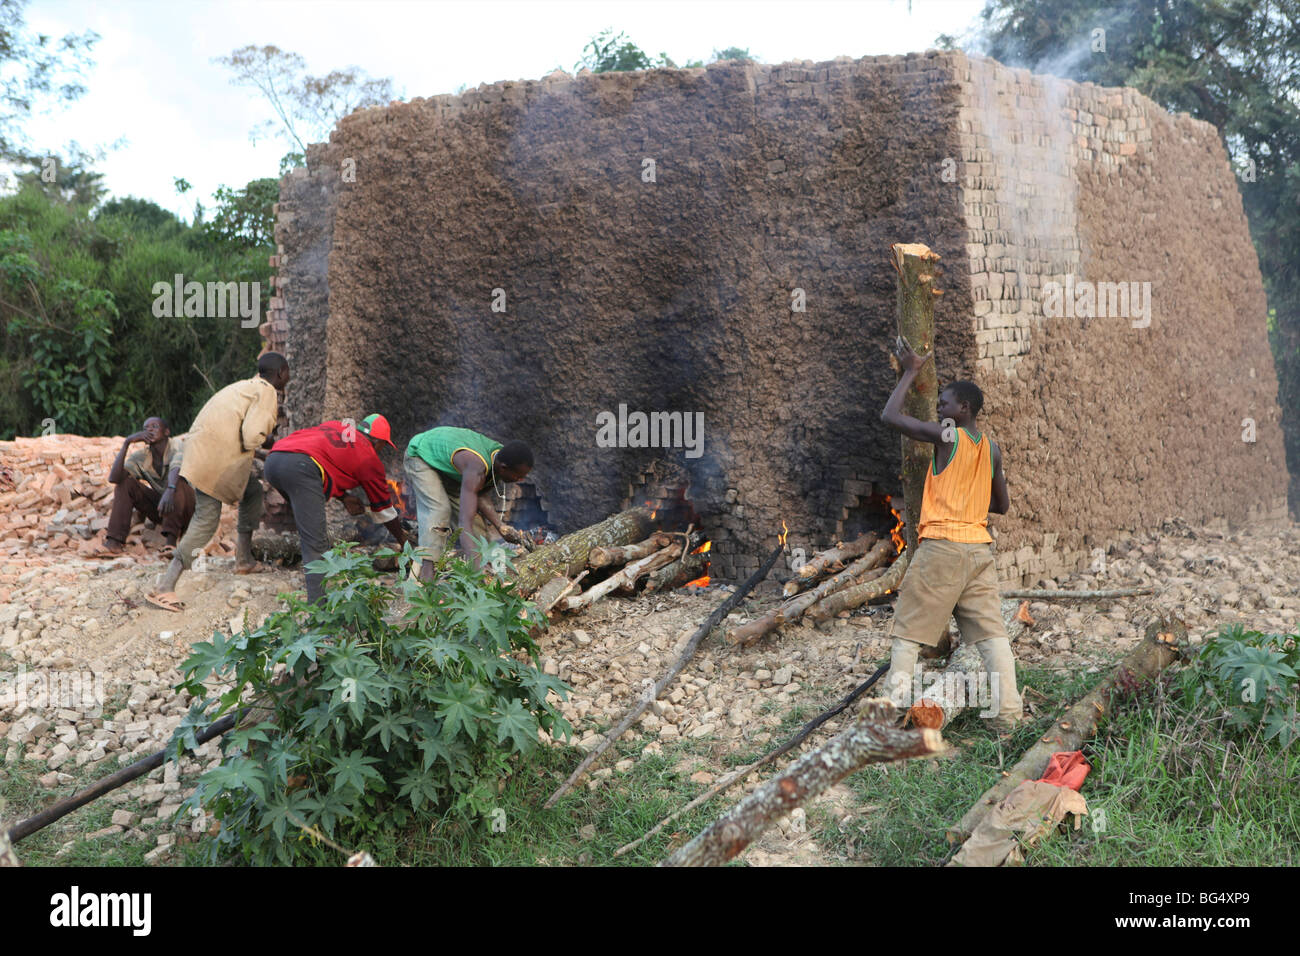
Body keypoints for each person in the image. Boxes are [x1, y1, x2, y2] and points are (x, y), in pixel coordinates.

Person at [878, 340, 1024, 733]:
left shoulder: (947, 437)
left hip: (942, 548)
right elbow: (1003, 506)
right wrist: (969, 498)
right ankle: (1008, 717)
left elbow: (890, 416)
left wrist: (910, 370)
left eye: (945, 403)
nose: (939, 409)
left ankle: (888, 715)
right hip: (978, 551)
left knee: (908, 634)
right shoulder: (990, 449)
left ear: (965, 410)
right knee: (992, 637)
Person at [146, 352, 290, 612]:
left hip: (203, 453)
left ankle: (244, 559)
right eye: (287, 373)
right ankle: (165, 586)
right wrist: (276, 444)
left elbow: (238, 433)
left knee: (252, 490)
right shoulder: (266, 391)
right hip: (213, 460)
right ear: (280, 373)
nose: (287, 378)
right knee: (206, 520)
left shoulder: (244, 387)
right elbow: (251, 436)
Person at [264, 414, 410, 604]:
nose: (381, 450)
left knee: (308, 525)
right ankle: (319, 612)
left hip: (274, 461)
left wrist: (344, 497)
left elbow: (324, 459)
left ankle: (293, 560)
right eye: (383, 445)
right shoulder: (369, 458)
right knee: (316, 544)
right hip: (300, 467)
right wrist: (403, 541)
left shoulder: (337, 427)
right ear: (377, 442)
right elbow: (384, 510)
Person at [403, 426, 533, 574]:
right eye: (518, 476)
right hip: (421, 455)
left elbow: (479, 494)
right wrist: (476, 566)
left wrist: (500, 526)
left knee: (476, 523)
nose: (521, 480)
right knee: (439, 509)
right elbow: (464, 523)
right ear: (504, 468)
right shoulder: (477, 467)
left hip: (447, 469)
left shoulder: (501, 458)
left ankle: (487, 571)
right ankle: (426, 574)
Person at [94, 416, 193, 557]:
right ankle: (114, 542)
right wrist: (126, 443)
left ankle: (170, 543)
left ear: (166, 432)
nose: (149, 430)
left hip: (188, 507)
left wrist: (170, 490)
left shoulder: (177, 446)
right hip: (165, 508)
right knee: (125, 483)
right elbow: (114, 478)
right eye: (146, 428)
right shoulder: (142, 456)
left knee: (176, 482)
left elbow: (176, 469)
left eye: (154, 426)